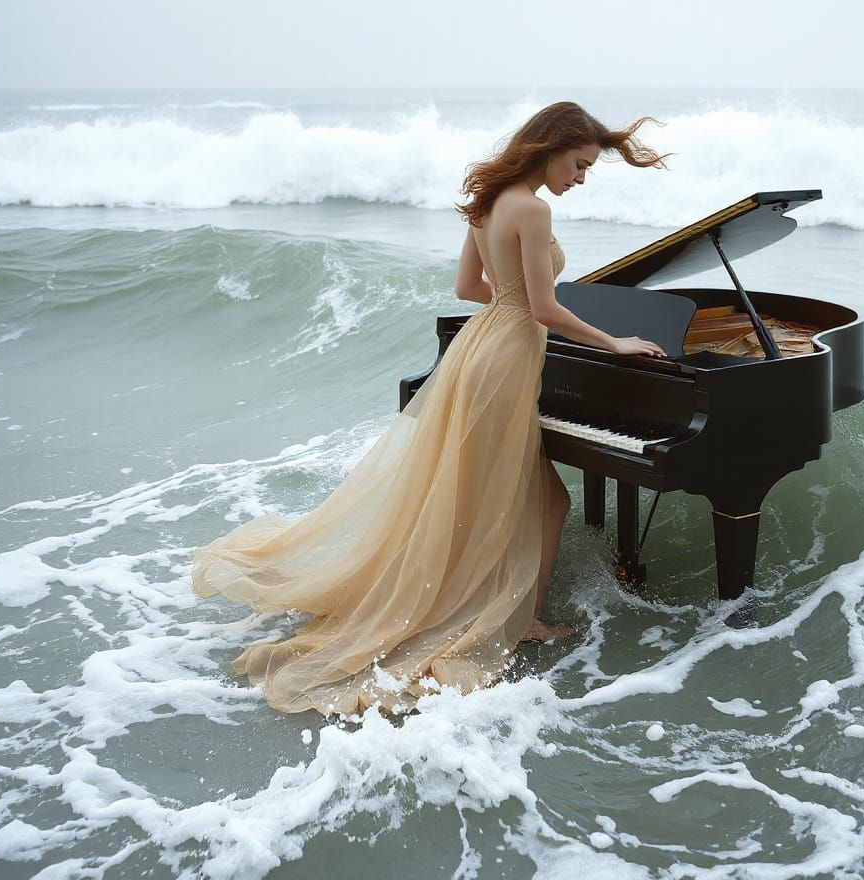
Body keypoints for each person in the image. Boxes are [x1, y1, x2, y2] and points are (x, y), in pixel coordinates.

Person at [191, 101, 669, 716]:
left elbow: (467, 290)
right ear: (552, 146)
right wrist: (615, 341)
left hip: (479, 349)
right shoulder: (533, 208)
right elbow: (546, 311)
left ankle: (500, 605)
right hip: (508, 356)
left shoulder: (490, 202)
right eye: (578, 165)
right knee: (543, 498)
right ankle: (520, 619)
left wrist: (513, 299)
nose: (579, 178)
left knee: (500, 492)